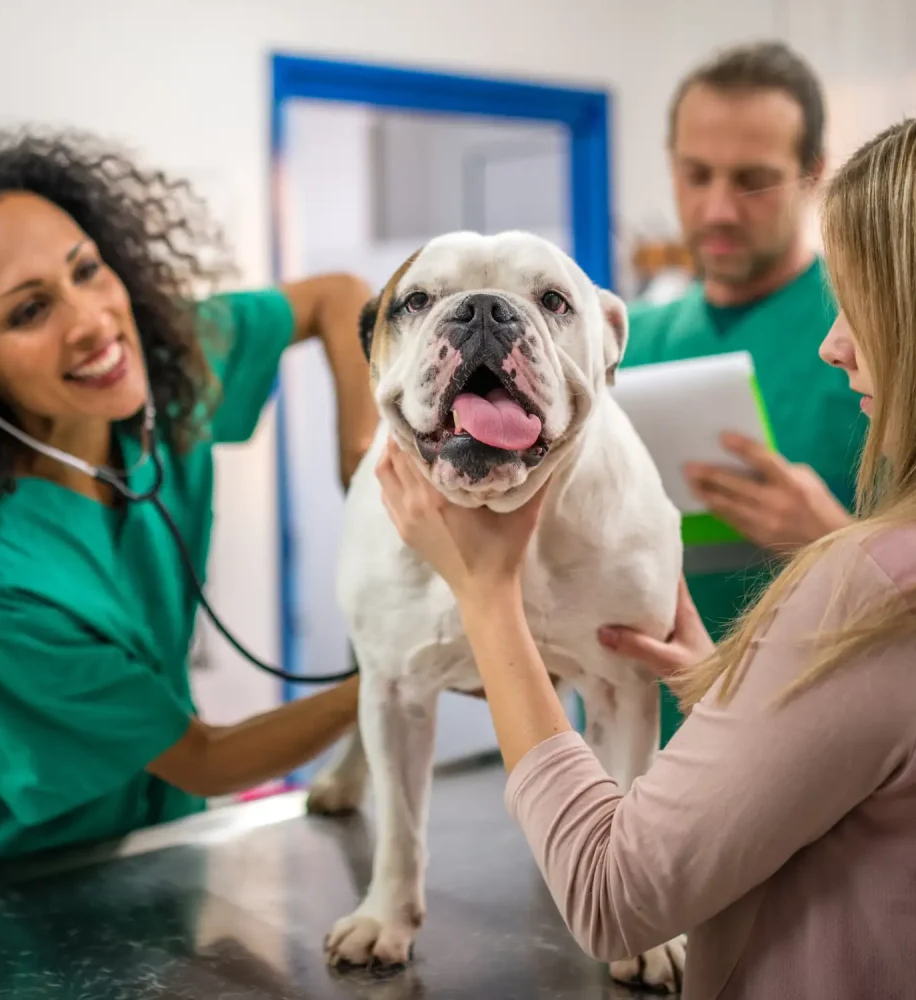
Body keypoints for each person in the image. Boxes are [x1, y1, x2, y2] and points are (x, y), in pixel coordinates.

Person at [375, 119, 916, 999]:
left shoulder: (871, 582)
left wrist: (487, 594)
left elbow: (614, 898)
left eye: (864, 306)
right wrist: (731, 686)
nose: (833, 345)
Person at [0, 129, 379, 875]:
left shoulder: (167, 368)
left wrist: (362, 446)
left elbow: (338, 297)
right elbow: (202, 758)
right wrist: (401, 673)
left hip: (154, 842)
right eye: (29, 311)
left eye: (87, 270)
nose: (95, 321)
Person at [621, 41, 868, 745]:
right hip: (630, 761)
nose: (718, 209)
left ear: (813, 173)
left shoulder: (875, 339)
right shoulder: (620, 343)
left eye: (754, 181)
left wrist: (831, 547)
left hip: (816, 766)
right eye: (696, 175)